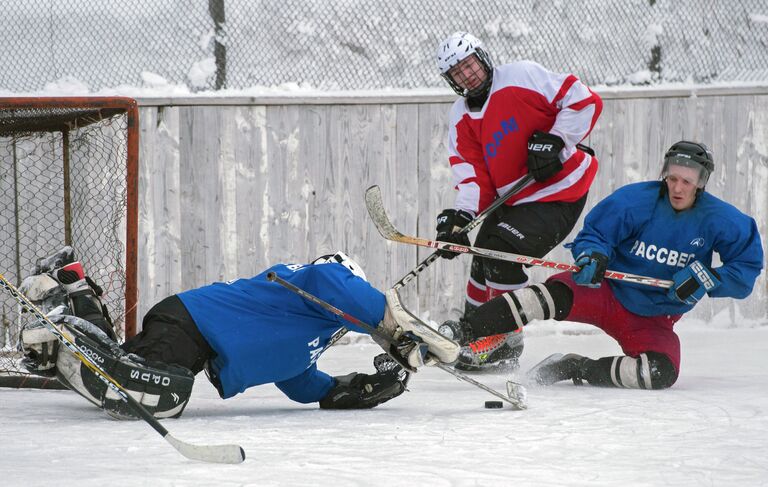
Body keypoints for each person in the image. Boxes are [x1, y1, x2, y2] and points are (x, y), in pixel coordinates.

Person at [441, 141, 764, 389]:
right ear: (665, 173)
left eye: (687, 183)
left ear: (701, 183)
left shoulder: (724, 220)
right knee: (541, 298)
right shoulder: (635, 200)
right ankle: (459, 332)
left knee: (659, 373)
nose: (678, 188)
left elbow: (746, 269)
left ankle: (574, 367)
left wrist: (708, 279)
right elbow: (595, 235)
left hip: (653, 317)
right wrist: (592, 255)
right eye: (673, 178)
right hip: (603, 292)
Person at [19, 249, 459, 418]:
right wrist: (394, 329)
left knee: (128, 371)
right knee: (160, 391)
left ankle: (70, 288)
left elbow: (302, 382)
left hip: (192, 337)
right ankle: (64, 310)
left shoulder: (311, 333)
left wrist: (354, 389)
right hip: (192, 323)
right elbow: (336, 281)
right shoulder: (313, 280)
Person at [433, 32, 603, 371]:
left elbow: (583, 101)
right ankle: (472, 331)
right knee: (481, 253)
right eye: (458, 72)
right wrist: (460, 219)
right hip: (516, 199)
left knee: (503, 257)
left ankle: (504, 339)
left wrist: (556, 140)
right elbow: (472, 176)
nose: (468, 75)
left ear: (482, 57)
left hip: (560, 189)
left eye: (469, 65)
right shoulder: (460, 117)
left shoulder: (521, 76)